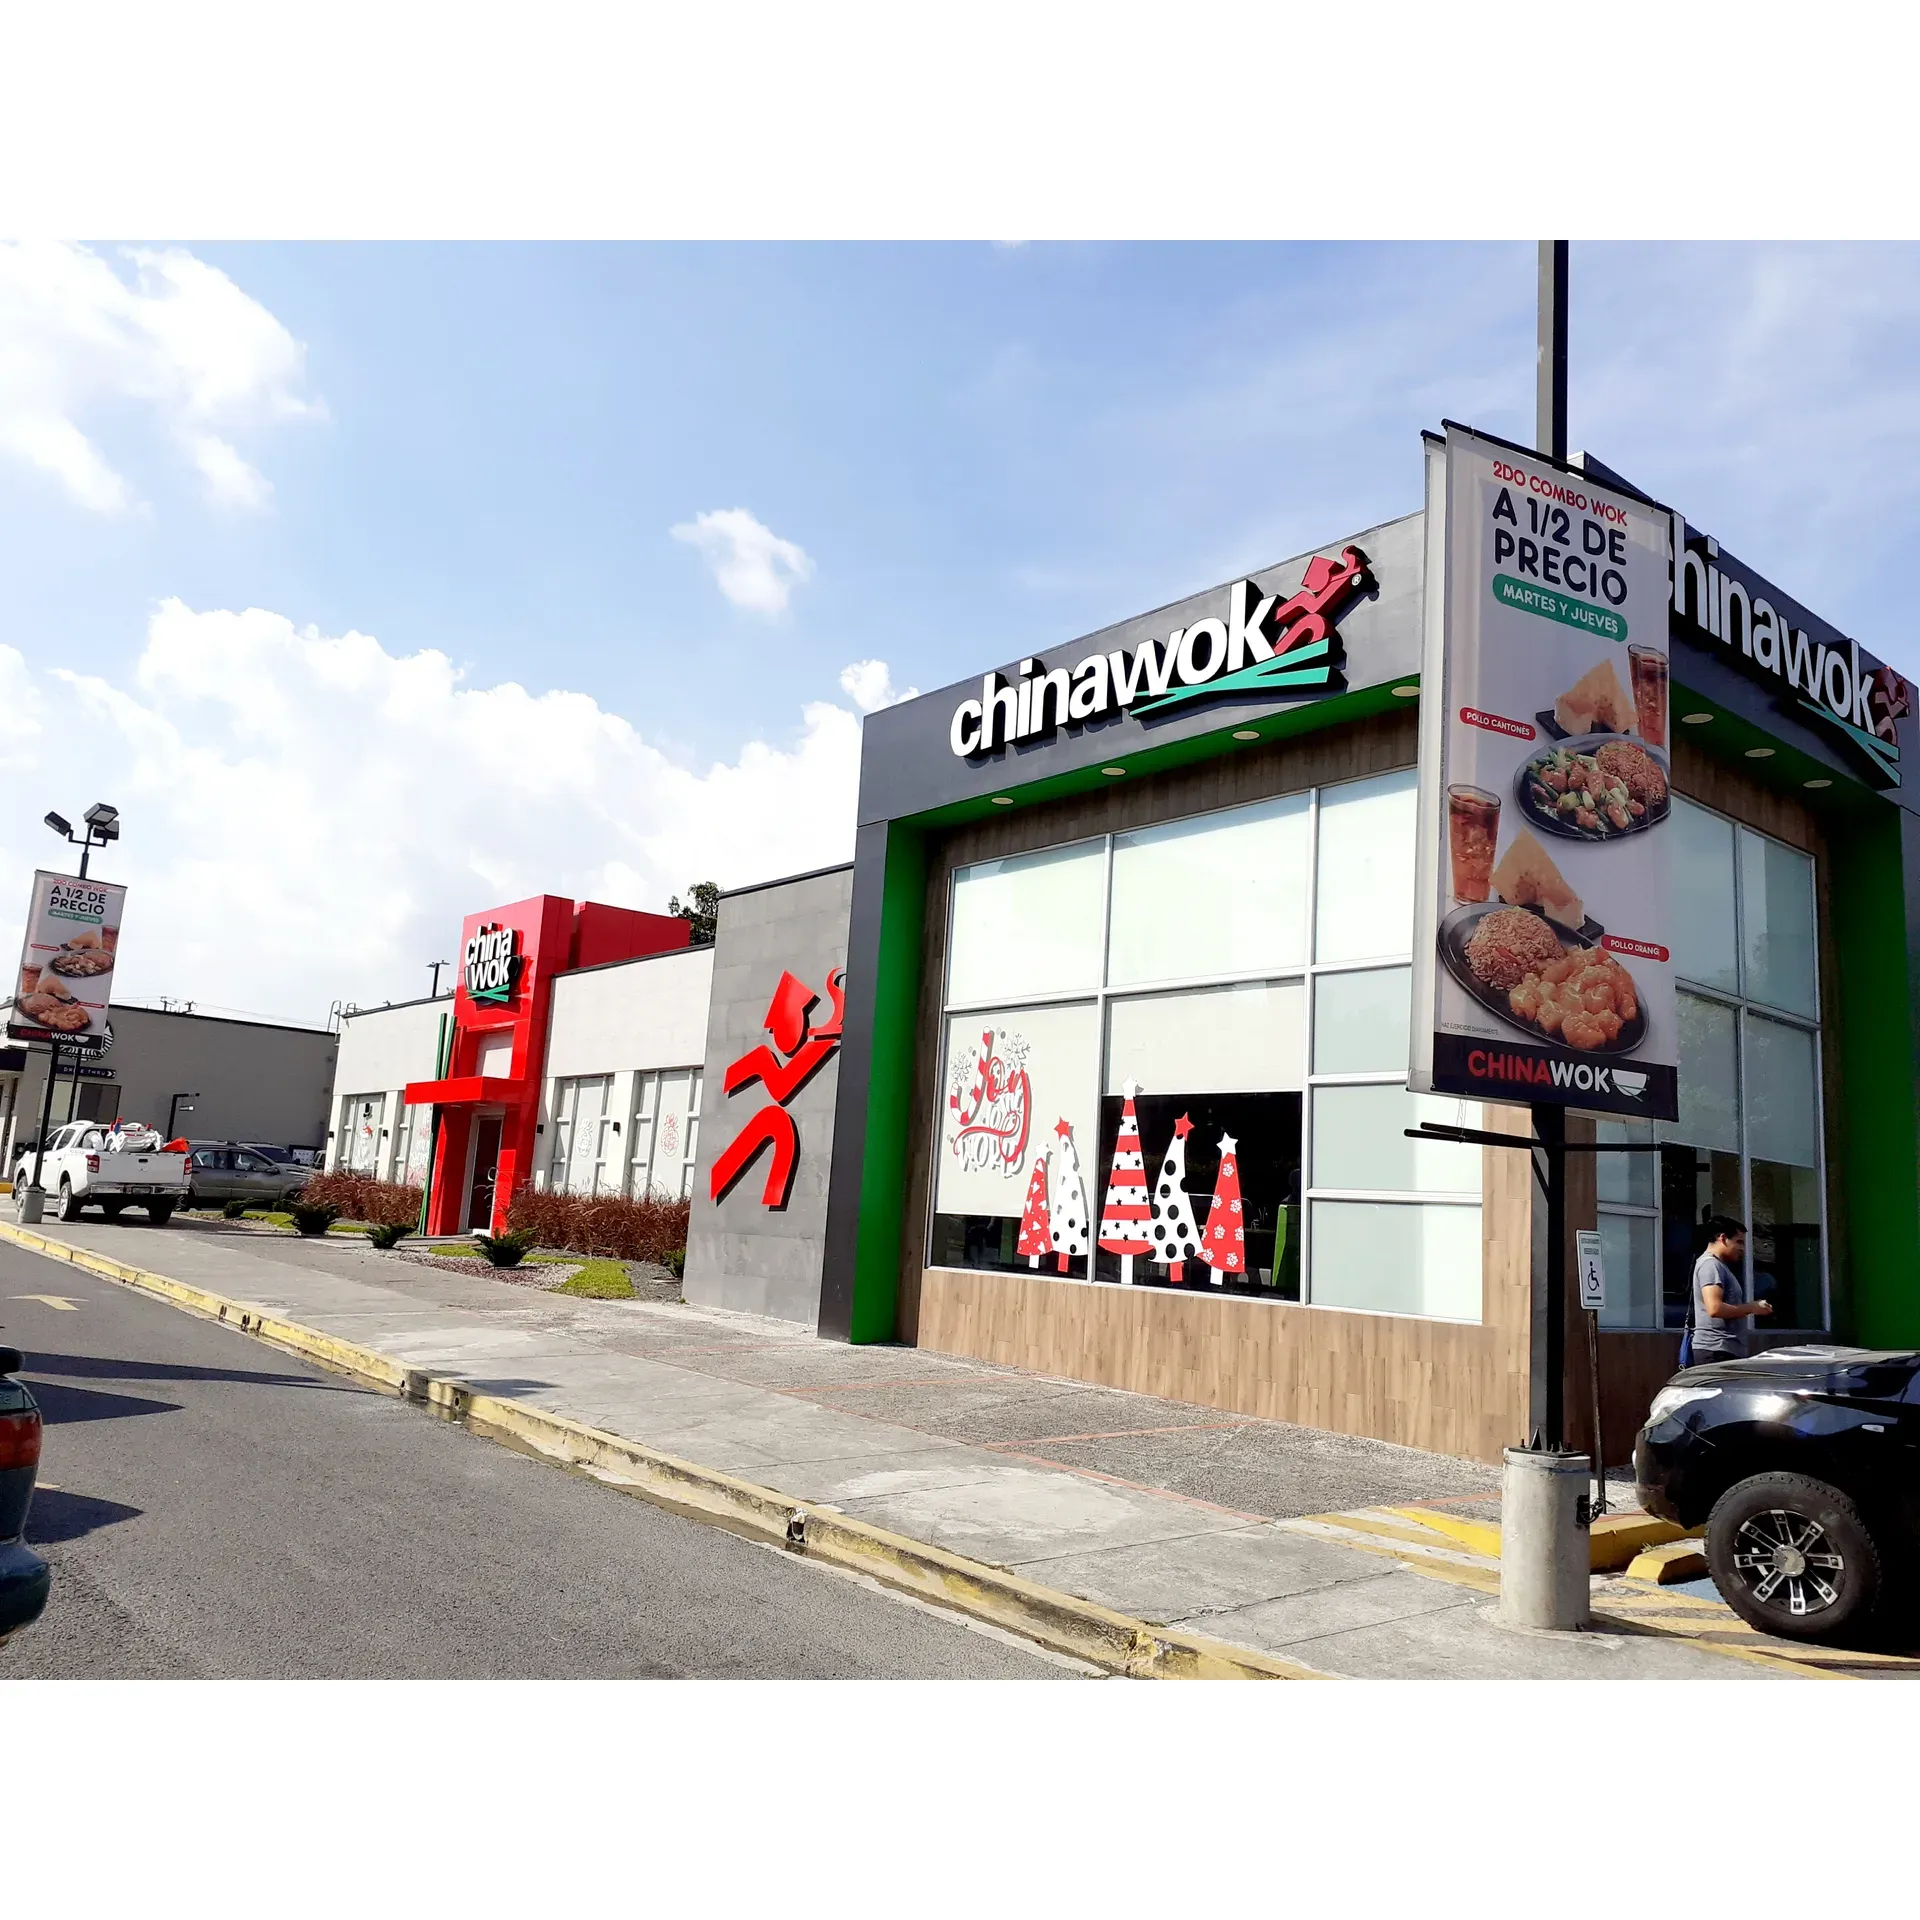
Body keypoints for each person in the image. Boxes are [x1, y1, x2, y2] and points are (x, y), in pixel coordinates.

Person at [1687, 1215, 1771, 1361]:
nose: (1742, 1249)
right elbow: (1715, 1308)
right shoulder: (1711, 1265)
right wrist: (1752, 1307)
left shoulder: (1719, 1266)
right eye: (1739, 1242)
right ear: (1723, 1238)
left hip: (1723, 1350)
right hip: (1716, 1350)